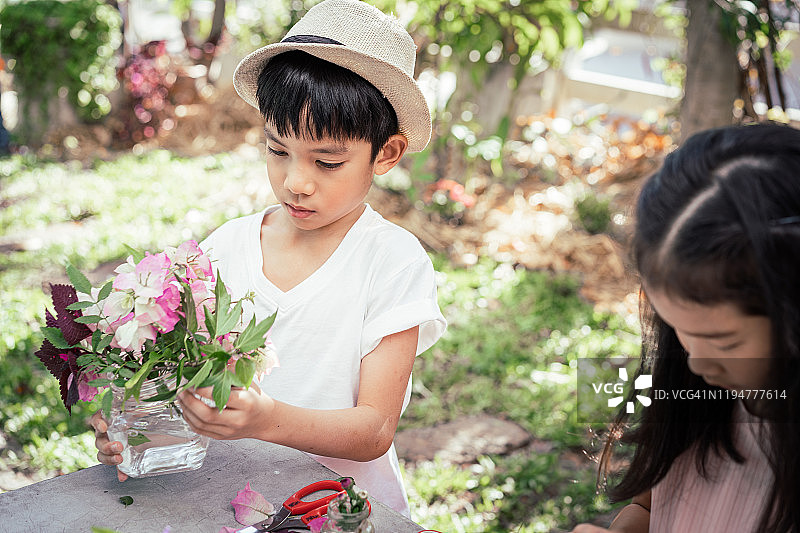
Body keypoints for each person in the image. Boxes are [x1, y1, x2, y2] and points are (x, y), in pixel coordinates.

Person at [91, 0, 446, 516]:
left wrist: (264, 420)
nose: (295, 182)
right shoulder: (225, 248)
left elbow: (374, 430)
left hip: (337, 512)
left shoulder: (392, 262)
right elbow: (187, 387)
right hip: (227, 504)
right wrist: (137, 429)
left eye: (327, 161)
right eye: (278, 150)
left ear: (386, 154)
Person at [571, 123, 800, 533]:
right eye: (676, 330)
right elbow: (653, 504)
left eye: (724, 342)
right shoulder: (704, 401)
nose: (695, 363)